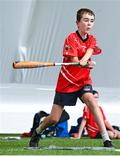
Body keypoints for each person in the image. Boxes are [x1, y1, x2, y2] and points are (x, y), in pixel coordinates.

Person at [29, 8, 113, 148]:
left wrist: (85, 62)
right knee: (54, 118)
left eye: (92, 21)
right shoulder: (71, 38)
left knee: (91, 100)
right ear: (77, 23)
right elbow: (74, 58)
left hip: (83, 81)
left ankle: (106, 139)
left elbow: (89, 51)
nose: (89, 24)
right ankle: (37, 131)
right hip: (66, 82)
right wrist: (83, 63)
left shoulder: (92, 39)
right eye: (85, 20)